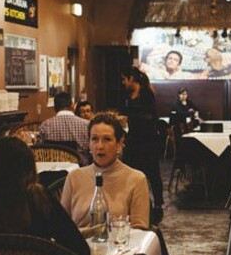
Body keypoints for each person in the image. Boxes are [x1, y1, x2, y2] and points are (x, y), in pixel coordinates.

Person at [61, 112, 151, 230]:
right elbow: (61, 226)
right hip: (79, 246)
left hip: (119, 245)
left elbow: (140, 230)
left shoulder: (136, 179)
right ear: (89, 144)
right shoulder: (74, 177)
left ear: (119, 144)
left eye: (107, 139)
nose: (100, 146)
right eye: (94, 139)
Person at [119, 67, 164, 223]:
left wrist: (130, 118)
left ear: (132, 79)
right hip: (133, 140)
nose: (123, 82)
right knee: (131, 172)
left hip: (147, 140)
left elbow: (149, 117)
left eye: (125, 79)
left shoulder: (147, 95)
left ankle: (158, 205)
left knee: (152, 173)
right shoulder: (128, 96)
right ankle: (134, 202)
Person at [38, 91, 90, 163]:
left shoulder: (45, 125)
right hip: (80, 167)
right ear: (73, 106)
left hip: (53, 169)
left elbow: (41, 151)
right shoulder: (86, 124)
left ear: (55, 108)